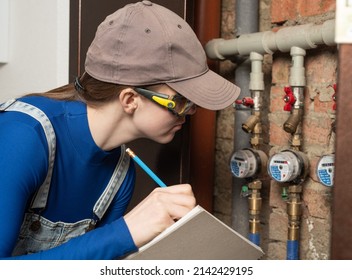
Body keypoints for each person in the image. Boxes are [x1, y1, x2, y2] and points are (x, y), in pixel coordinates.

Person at [0, 0, 240, 259]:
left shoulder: (121, 173)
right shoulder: (23, 137)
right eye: (180, 102)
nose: (190, 112)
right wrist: (127, 231)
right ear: (129, 99)